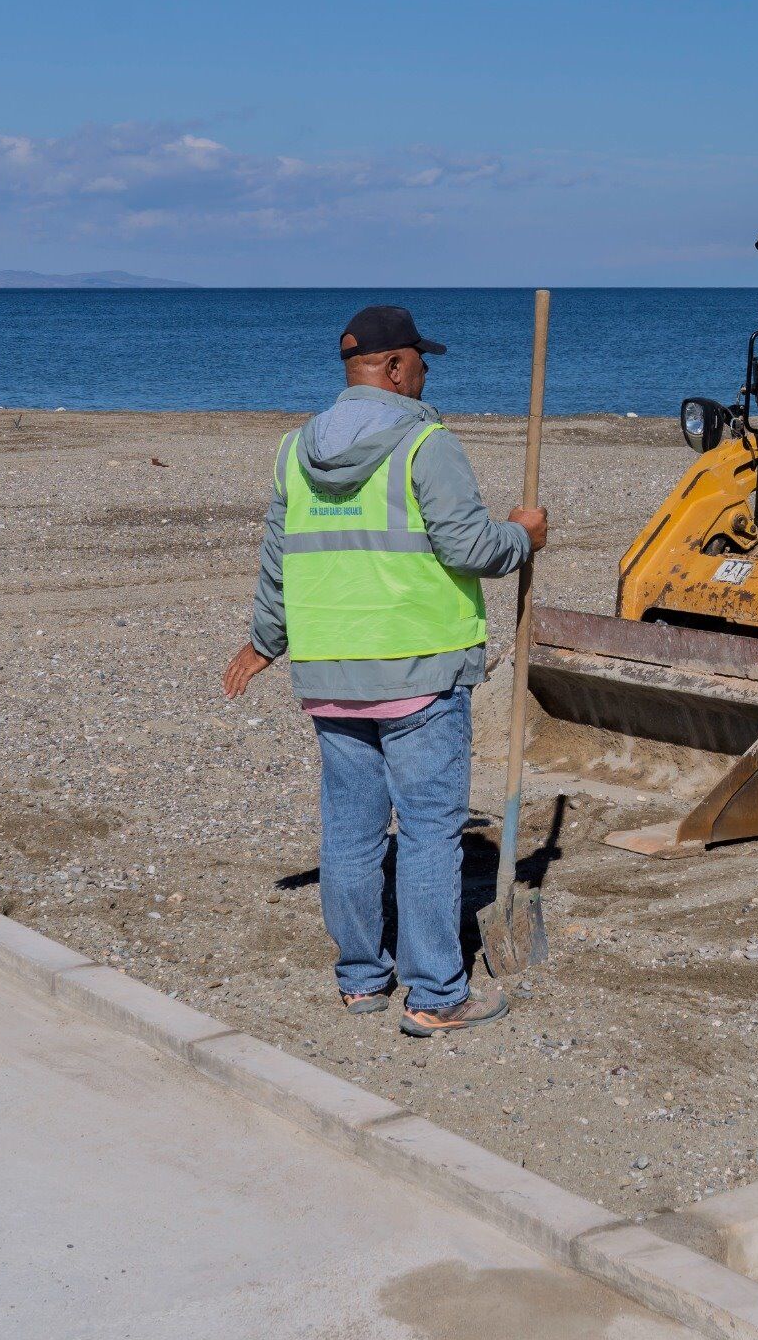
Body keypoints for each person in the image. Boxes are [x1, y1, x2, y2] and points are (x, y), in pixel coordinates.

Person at [221, 305, 547, 1038]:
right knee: (431, 833)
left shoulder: (292, 451)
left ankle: (362, 982)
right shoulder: (423, 445)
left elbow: (279, 561)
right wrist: (522, 538)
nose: (427, 375)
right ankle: (435, 995)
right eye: (420, 363)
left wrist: (265, 643)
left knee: (351, 831)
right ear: (396, 367)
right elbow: (471, 549)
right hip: (416, 672)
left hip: (331, 677)